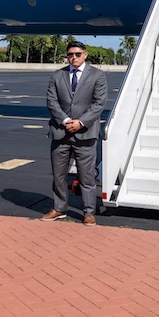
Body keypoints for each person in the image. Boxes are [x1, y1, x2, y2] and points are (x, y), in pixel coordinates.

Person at [41, 41, 108, 226]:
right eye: (70, 54)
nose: (74, 57)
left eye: (78, 54)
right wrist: (65, 121)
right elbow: (52, 102)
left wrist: (80, 123)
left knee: (86, 176)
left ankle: (88, 212)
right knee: (58, 175)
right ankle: (59, 208)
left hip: (85, 133)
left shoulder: (98, 75)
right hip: (60, 132)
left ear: (85, 54)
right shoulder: (57, 75)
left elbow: (99, 104)